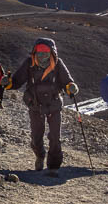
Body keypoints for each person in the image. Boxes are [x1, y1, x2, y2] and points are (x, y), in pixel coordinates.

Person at [5, 38, 78, 171]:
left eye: (45, 51)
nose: (42, 53)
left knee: (55, 137)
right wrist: (8, 83)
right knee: (36, 136)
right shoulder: (29, 63)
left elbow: (67, 81)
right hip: (35, 105)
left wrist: (71, 87)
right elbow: (17, 81)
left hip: (53, 105)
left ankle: (53, 166)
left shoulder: (58, 63)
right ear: (35, 51)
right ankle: (40, 155)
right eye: (39, 50)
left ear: (52, 52)